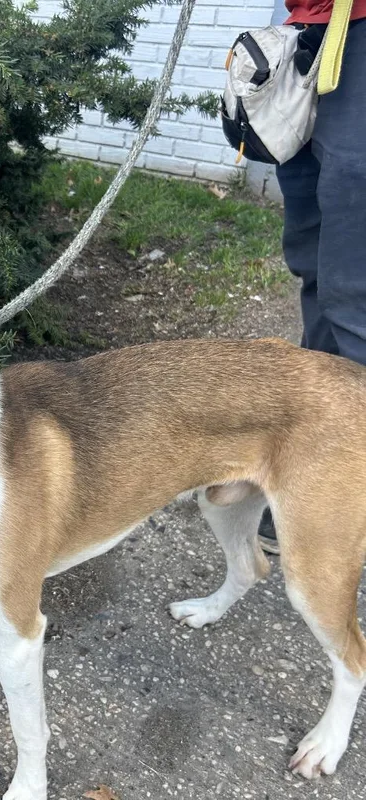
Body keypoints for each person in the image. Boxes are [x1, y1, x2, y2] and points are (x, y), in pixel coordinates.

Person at [258, 0, 366, 554]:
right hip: (311, 35)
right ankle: (317, 469)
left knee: (355, 290)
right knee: (316, 273)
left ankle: (345, 496)